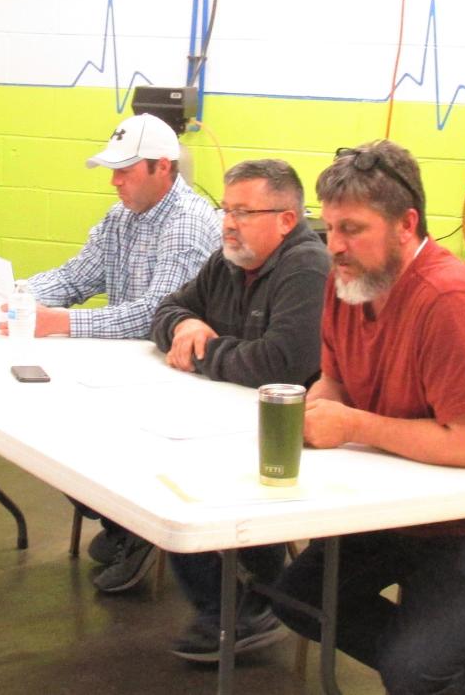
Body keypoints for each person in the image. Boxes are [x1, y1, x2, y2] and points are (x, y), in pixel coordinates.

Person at [271, 140, 465, 695]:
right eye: (330, 227)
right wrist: (319, 406)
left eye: (352, 229)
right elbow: (335, 379)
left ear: (406, 224)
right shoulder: (350, 282)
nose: (334, 246)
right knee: (297, 599)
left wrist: (352, 425)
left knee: (415, 670)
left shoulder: (450, 301)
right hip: (413, 507)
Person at [7, 113, 223, 592]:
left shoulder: (187, 225)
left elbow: (155, 317)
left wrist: (59, 322)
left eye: (125, 171)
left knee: (86, 431)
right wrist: (15, 293)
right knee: (55, 427)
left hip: (170, 377)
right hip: (125, 368)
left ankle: (137, 526)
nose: (115, 181)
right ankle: (120, 524)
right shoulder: (121, 218)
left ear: (163, 168)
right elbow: (75, 276)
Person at [149, 159, 329, 663]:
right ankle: (248, 589)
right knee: (147, 460)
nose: (228, 223)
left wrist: (205, 351)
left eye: (244, 212)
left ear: (287, 220)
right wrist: (185, 327)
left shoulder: (307, 267)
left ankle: (240, 609)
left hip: (296, 443)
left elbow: (280, 365)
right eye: (226, 209)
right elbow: (165, 311)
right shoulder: (229, 259)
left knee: (175, 480)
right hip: (225, 421)